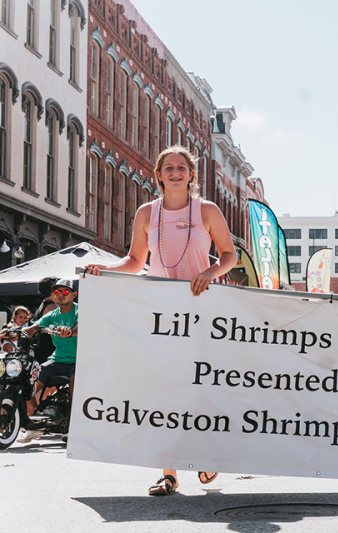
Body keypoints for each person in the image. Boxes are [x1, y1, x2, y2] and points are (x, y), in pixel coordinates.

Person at [85, 145, 237, 496]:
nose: (174, 172)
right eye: (168, 168)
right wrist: (106, 269)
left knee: (199, 386)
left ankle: (205, 456)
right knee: (163, 391)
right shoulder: (146, 213)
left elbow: (229, 255)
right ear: (158, 175)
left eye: (181, 167)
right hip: (160, 313)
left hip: (201, 309)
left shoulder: (208, 210)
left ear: (191, 174)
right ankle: (169, 472)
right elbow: (136, 261)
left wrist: (211, 271)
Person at [2, 279, 79, 443]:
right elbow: (33, 328)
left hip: (78, 360)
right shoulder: (53, 314)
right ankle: (36, 422)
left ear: (74, 294)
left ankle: (74, 426)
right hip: (56, 360)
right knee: (31, 380)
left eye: (65, 292)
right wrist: (15, 332)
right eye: (57, 292)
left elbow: (81, 327)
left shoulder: (80, 311)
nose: (60, 295)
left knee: (76, 384)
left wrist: (70, 332)